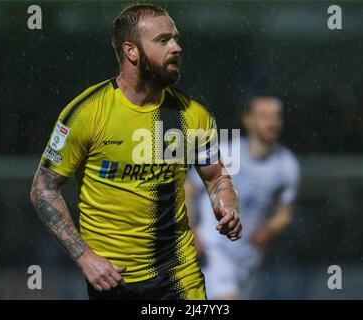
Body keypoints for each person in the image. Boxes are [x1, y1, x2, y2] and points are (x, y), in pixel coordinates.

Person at [29, 3, 241, 300]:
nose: (177, 47)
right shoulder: (86, 113)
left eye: (176, 38)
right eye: (163, 40)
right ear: (131, 51)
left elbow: (217, 177)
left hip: (179, 277)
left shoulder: (193, 115)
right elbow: (43, 189)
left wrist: (227, 205)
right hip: (114, 281)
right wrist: (85, 258)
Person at [185, 96, 300, 300]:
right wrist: (190, 229)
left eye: (276, 116)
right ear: (248, 120)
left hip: (247, 256)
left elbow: (285, 213)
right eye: (264, 115)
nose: (272, 122)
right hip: (213, 249)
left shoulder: (286, 164)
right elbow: (188, 190)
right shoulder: (226, 152)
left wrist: (270, 230)